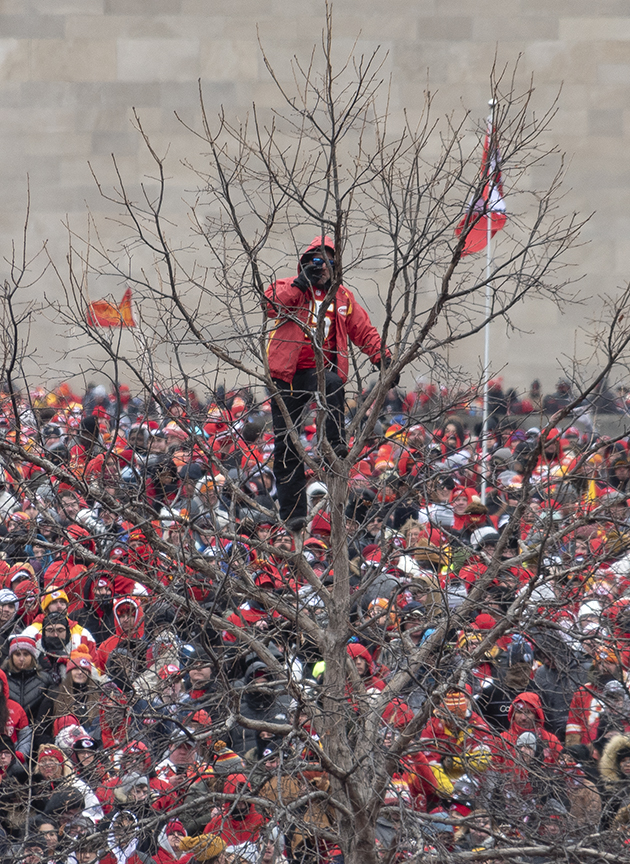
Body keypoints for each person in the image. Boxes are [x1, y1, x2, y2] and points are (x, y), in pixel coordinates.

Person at [264, 235, 394, 531]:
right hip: (287, 375)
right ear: (306, 263)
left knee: (334, 383)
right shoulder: (290, 287)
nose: (323, 268)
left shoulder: (343, 297)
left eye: (329, 263)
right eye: (317, 262)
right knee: (287, 444)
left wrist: (382, 359)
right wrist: (300, 284)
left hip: (320, 372)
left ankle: (334, 444)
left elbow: (364, 330)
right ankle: (292, 511)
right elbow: (271, 305)